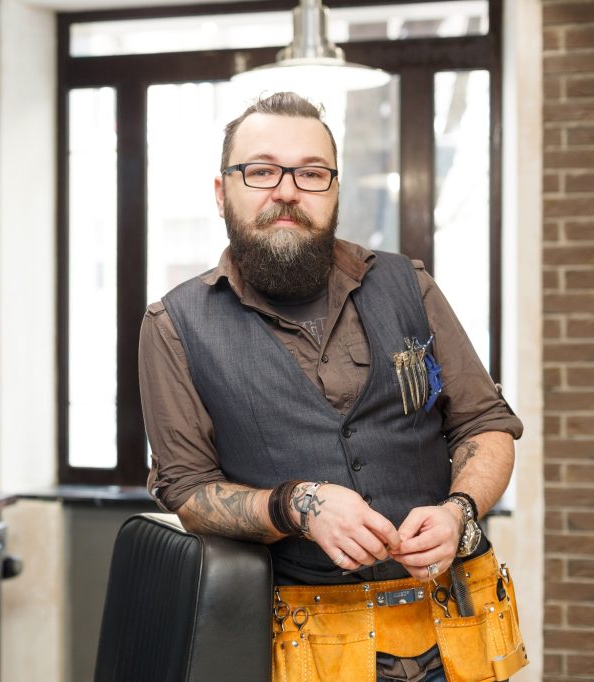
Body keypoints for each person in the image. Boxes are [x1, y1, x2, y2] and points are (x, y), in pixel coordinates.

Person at [138, 91, 525, 682]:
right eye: (261, 170)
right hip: (302, 647)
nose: (287, 190)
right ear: (222, 193)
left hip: (456, 628)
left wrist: (459, 512)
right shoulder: (174, 325)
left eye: (312, 173)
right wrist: (298, 505)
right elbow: (187, 492)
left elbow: (485, 424)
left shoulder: (408, 284)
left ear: (334, 191)